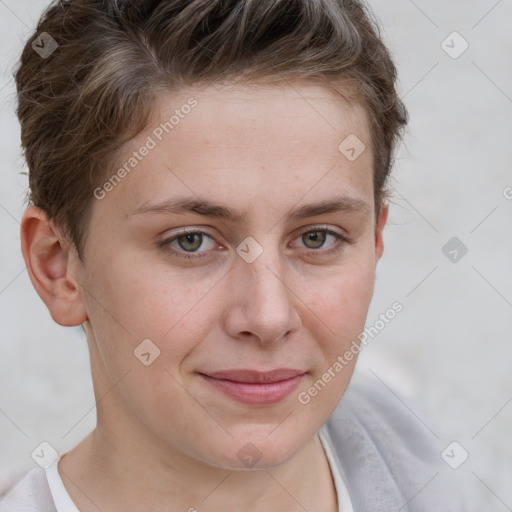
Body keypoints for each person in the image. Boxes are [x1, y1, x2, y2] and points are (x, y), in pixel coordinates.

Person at [1, 0, 466, 510]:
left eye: (317, 237)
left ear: (375, 240)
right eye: (191, 241)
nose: (268, 318)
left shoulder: (424, 459)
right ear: (59, 267)